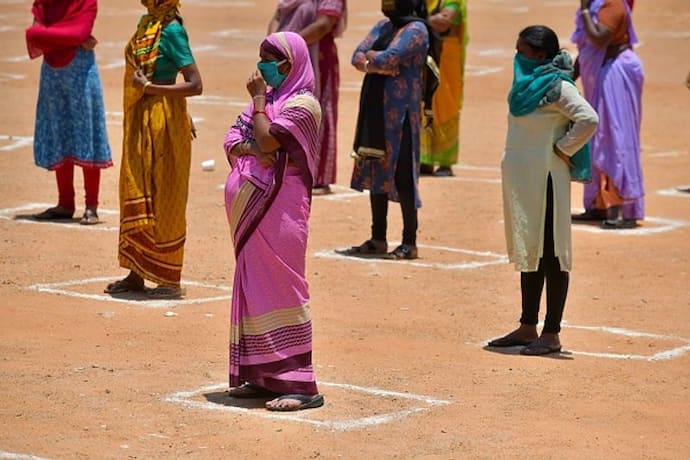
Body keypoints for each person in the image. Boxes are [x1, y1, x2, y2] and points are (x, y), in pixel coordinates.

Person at [223, 32, 324, 411]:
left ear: (292, 63)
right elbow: (234, 138)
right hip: (253, 212)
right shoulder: (270, 104)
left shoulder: (303, 105)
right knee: (254, 284)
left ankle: (301, 383)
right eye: (260, 56)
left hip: (281, 209)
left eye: (271, 59)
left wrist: (259, 106)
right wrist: (253, 139)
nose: (264, 65)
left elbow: (266, 142)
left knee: (283, 285)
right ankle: (264, 376)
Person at [488, 25, 598, 355]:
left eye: (521, 50)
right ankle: (526, 326)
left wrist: (563, 149)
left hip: (547, 179)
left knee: (551, 254)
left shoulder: (556, 85)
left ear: (538, 55)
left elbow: (588, 119)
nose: (516, 56)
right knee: (530, 248)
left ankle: (551, 333)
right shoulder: (525, 85)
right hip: (524, 179)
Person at [104, 0, 202, 300]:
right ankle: (136, 272)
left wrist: (151, 90)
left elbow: (196, 84)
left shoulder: (172, 30)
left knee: (164, 194)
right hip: (140, 118)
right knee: (138, 185)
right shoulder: (148, 23)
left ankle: (170, 278)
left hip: (164, 122)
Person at [337, 0, 433, 260]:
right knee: (376, 167)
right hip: (376, 109)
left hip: (401, 114)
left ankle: (409, 242)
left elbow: (390, 56)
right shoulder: (384, 26)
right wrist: (375, 64)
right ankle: (378, 238)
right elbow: (357, 55)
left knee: (403, 175)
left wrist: (373, 61)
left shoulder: (416, 30)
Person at [26, 0, 112, 225]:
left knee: (87, 133)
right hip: (53, 74)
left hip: (81, 74)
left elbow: (79, 32)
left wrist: (50, 35)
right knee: (59, 133)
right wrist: (71, 37)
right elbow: (35, 35)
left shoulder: (85, 2)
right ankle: (65, 203)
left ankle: (91, 205)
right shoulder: (45, 2)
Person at [570, 0, 644, 229]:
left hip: (616, 72)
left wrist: (583, 11)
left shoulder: (612, 5)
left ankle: (622, 210)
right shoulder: (596, 5)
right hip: (600, 72)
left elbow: (599, 38)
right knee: (596, 137)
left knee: (616, 138)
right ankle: (599, 205)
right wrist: (570, 75)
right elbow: (586, 48)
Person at [268, 0, 347, 195]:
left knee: (318, 110)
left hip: (315, 57)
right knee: (281, 107)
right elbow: (278, 16)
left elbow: (323, 25)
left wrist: (286, 47)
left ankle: (317, 174)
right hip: (282, 61)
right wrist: (273, 44)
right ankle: (282, 165)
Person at [419, 0, 468, 177]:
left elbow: (444, 20)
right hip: (426, 51)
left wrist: (414, 21)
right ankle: (424, 159)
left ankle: (445, 161)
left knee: (445, 105)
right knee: (424, 101)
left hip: (446, 54)